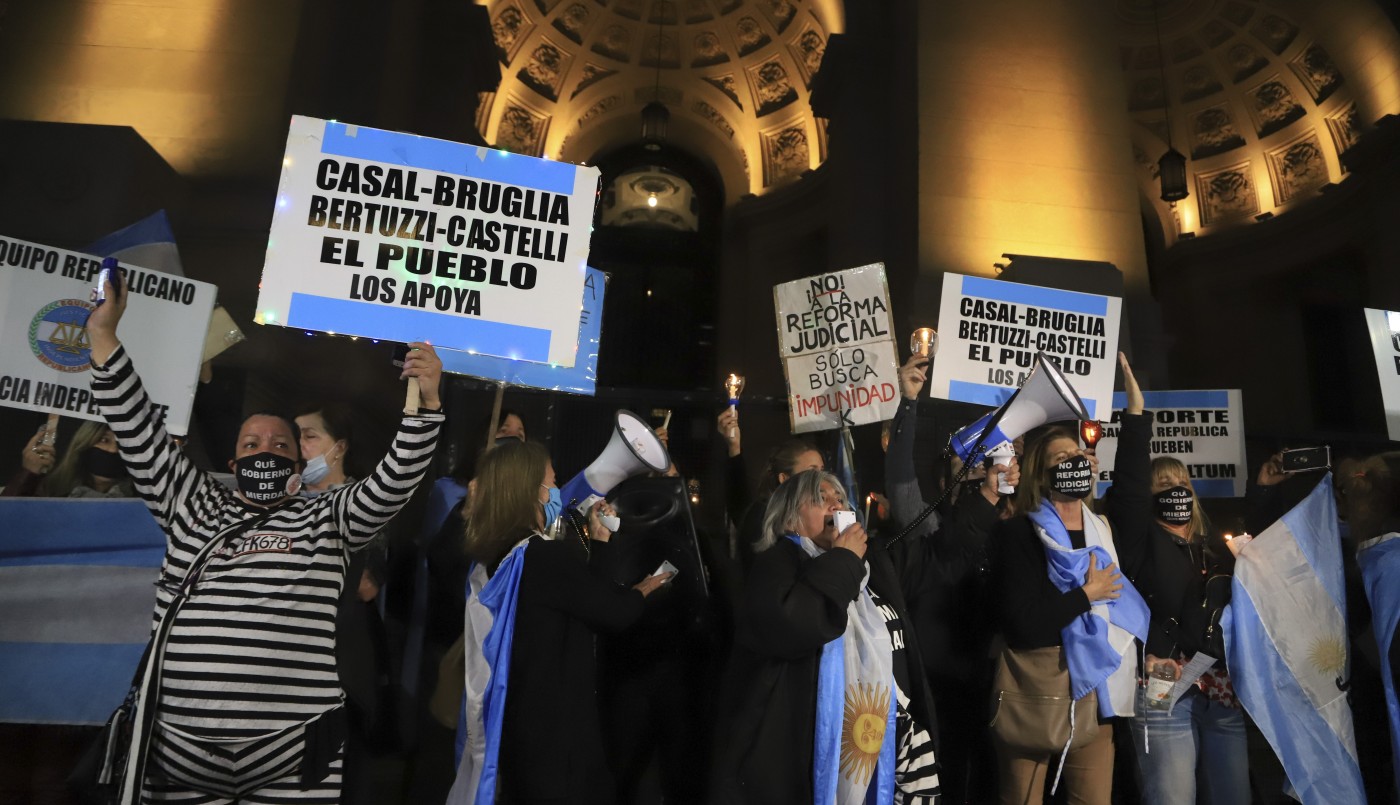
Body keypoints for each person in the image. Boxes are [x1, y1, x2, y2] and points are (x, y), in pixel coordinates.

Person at [83, 272, 445, 803]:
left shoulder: (329, 516)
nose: (265, 450)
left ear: (299, 464)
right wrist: (102, 335)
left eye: (280, 443)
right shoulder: (192, 503)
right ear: (232, 464)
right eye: (251, 443)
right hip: (180, 753)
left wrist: (426, 404)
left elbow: (396, 479)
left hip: (292, 756)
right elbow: (135, 426)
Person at [447, 439, 670, 805]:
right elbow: (613, 613)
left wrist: (599, 541)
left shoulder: (499, 552)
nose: (556, 490)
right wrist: (642, 591)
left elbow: (585, 599)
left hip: (523, 723)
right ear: (534, 490)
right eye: (552, 481)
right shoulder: (544, 556)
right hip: (558, 733)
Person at [711, 469, 941, 804]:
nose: (836, 505)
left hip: (875, 737)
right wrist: (843, 559)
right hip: (804, 754)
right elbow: (797, 623)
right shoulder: (776, 563)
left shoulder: (867, 568)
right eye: (821, 499)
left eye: (840, 498)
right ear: (790, 517)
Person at [988, 353, 1149, 805]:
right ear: (1043, 473)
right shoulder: (1019, 534)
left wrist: (1135, 414)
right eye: (1063, 457)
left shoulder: (1102, 530)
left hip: (1096, 696)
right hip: (1037, 693)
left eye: (1079, 454)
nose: (1076, 460)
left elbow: (1134, 492)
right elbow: (1022, 624)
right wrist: (1086, 594)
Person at [885, 351, 1016, 804]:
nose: (980, 477)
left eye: (986, 469)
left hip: (992, 679)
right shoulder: (929, 525)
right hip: (939, 684)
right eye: (970, 469)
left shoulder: (1007, 529)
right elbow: (900, 479)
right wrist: (908, 405)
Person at [1106, 394, 1247, 805]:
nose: (1177, 489)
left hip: (1220, 690)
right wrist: (1136, 418)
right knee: (1173, 797)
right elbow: (1128, 491)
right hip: (1164, 684)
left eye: (1182, 482)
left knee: (1234, 796)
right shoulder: (1139, 542)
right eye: (1165, 484)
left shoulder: (1213, 547)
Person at [3, 420, 135, 498]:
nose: (113, 450)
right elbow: (7, 522)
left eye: (123, 443)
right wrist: (28, 474)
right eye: (104, 440)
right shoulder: (49, 490)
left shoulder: (142, 501)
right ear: (85, 442)